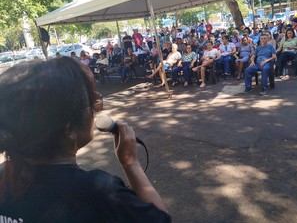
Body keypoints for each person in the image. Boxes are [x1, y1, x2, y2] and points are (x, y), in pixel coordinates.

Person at [0, 57, 171, 222]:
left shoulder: (4, 177)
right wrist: (131, 163)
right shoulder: (97, 192)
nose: (95, 112)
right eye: (92, 103)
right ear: (69, 128)